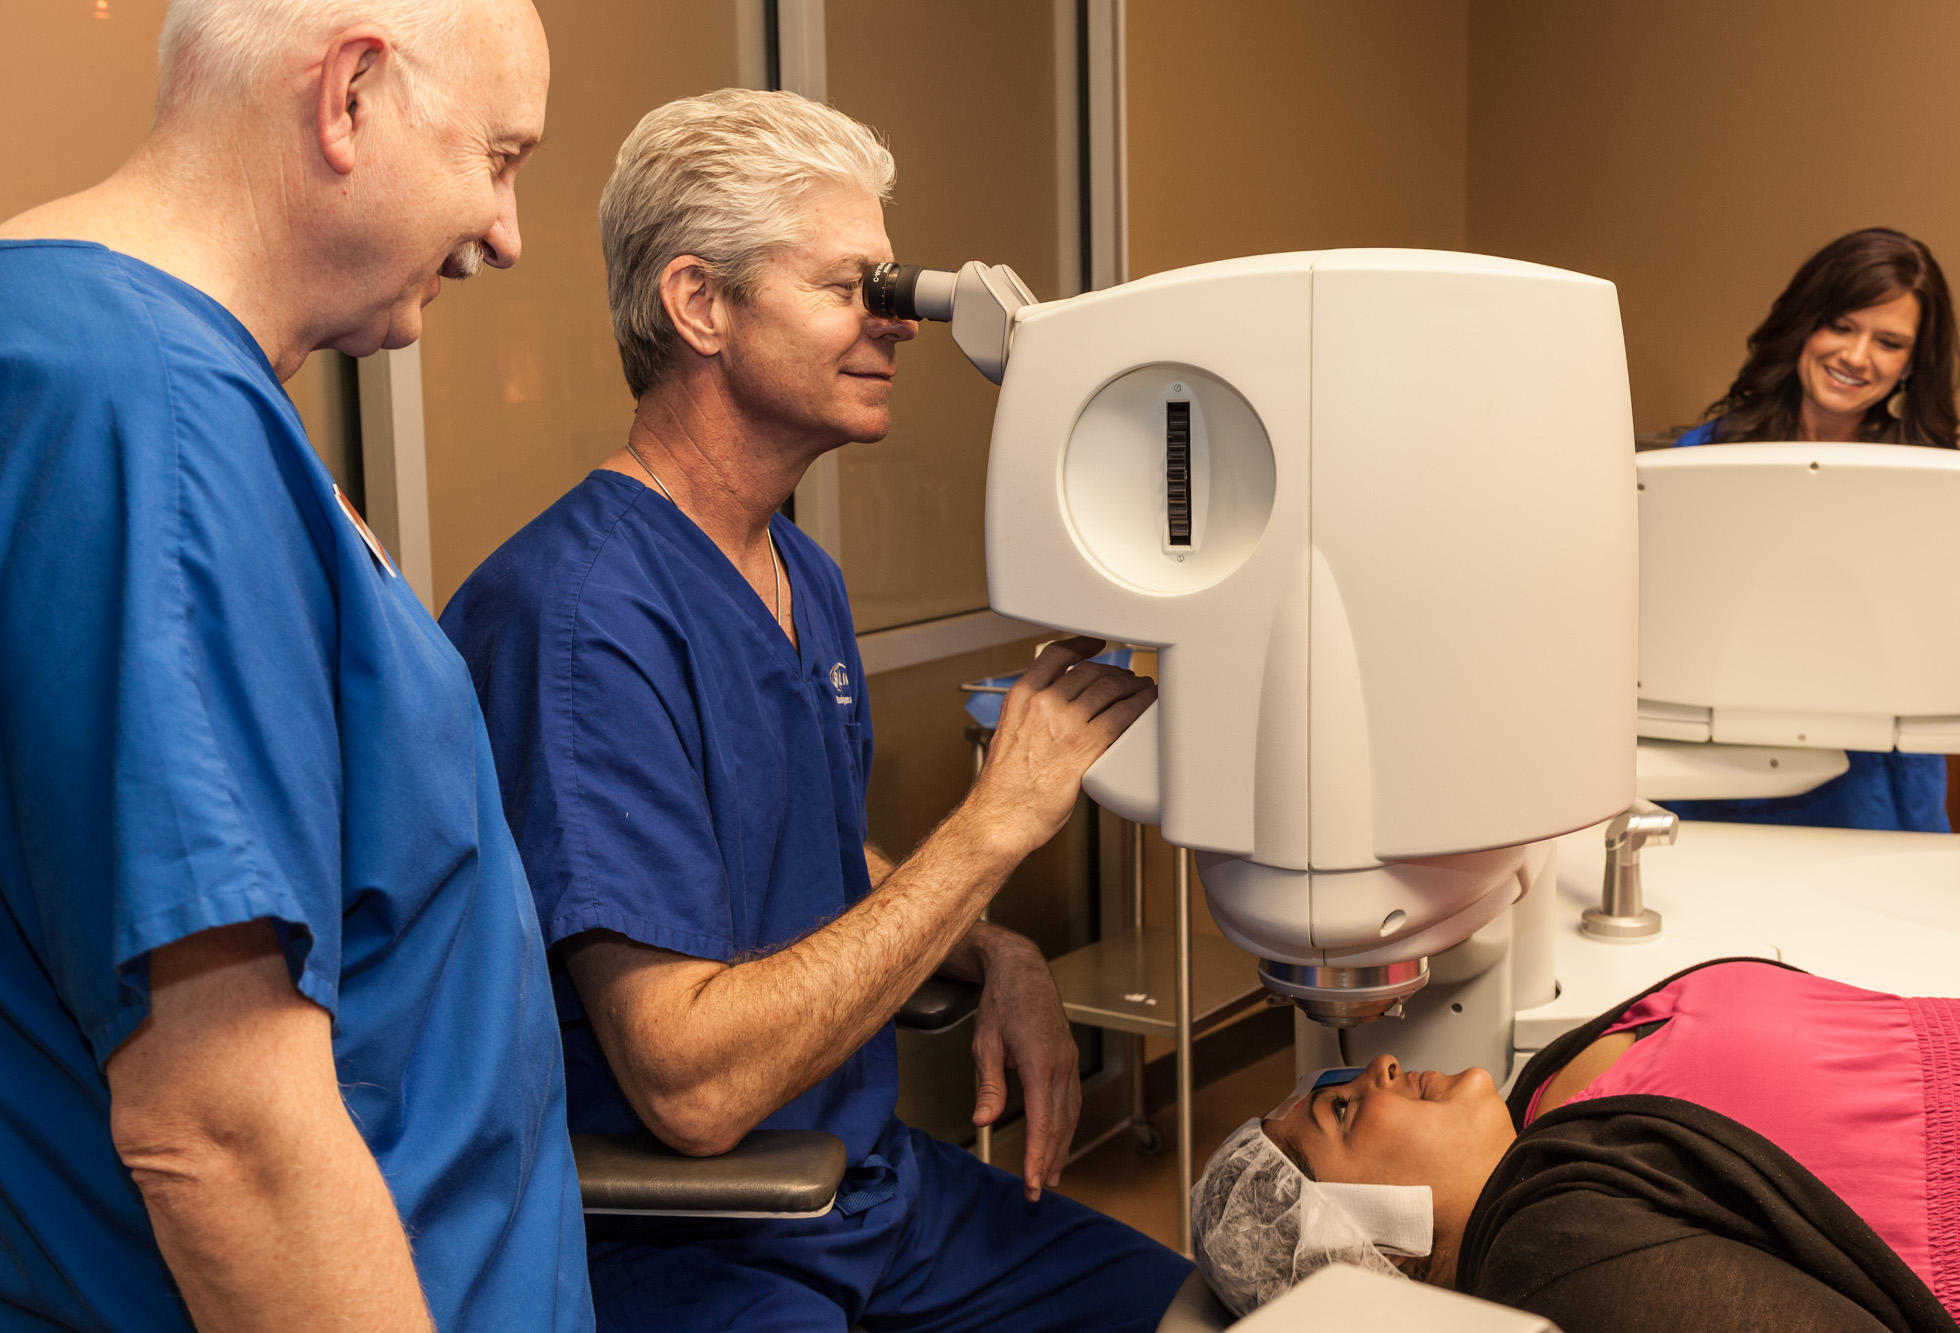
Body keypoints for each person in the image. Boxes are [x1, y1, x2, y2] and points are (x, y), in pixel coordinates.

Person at [440, 89, 1192, 1332]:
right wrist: (994, 824)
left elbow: (804, 844)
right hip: (695, 1242)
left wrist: (991, 947)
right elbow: (688, 1086)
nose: (892, 325)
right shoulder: (577, 622)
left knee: (1200, 1311)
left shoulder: (802, 574)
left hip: (872, 1191)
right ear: (699, 305)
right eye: (851, 288)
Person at [0, 3, 593, 1329]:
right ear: (351, 95)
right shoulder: (147, 409)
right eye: (499, 158)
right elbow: (222, 1132)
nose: (506, 231)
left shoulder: (105, 368)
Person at [1192, 958, 1960, 1331]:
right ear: (1373, 1244)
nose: (1382, 1066)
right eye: (1342, 1113)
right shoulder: (1547, 1249)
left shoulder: (1543, 1104)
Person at [1669, 227, 1960, 833]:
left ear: (1912, 364)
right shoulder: (1700, 463)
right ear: (1805, 323)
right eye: (1841, 325)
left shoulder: (1942, 486)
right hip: (1719, 781)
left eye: (1888, 342)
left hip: (1876, 795)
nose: (1857, 357)